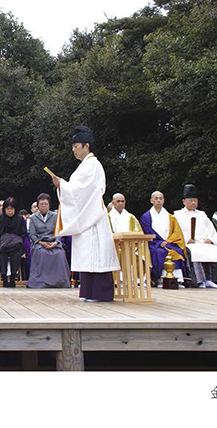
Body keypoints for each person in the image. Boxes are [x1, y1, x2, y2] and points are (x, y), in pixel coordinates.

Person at [50, 125, 120, 301]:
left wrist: (62, 185)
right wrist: (64, 186)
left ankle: (100, 293)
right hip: (86, 215)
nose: (73, 149)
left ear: (86, 146)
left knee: (96, 253)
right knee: (87, 253)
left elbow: (83, 191)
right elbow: (77, 190)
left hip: (93, 216)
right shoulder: (85, 166)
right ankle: (88, 291)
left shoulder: (92, 165)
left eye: (76, 146)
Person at [172, 185, 217, 289]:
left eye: (195, 200)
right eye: (190, 200)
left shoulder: (202, 214)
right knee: (194, 252)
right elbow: (176, 231)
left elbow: (211, 229)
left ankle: (213, 280)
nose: (193, 203)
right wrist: (186, 240)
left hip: (204, 242)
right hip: (190, 243)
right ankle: (199, 281)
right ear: (184, 201)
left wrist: (210, 239)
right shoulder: (177, 215)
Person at [139, 191, 189, 286]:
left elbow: (177, 233)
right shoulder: (146, 217)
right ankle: (159, 279)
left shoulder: (170, 217)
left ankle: (177, 280)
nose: (158, 201)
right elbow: (147, 232)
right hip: (154, 244)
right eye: (156, 199)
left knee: (178, 251)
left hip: (169, 243)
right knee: (159, 252)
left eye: (160, 198)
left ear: (164, 200)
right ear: (151, 201)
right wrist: (159, 243)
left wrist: (168, 241)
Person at [27, 194, 71, 289]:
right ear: (38, 205)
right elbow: (32, 234)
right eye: (41, 204)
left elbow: (58, 232)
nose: (43, 206)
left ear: (49, 205)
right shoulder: (33, 218)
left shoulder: (55, 216)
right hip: (40, 242)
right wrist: (41, 242)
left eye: (46, 204)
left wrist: (55, 242)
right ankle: (40, 281)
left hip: (53, 241)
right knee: (41, 253)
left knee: (60, 253)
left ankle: (60, 281)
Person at [0, 197, 29, 288]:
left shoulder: (20, 219)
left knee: (16, 254)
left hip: (16, 245)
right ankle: (4, 277)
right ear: (4, 209)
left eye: (11, 209)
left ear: (15, 209)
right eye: (8, 209)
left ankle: (13, 277)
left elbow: (23, 233)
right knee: (1, 254)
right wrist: (2, 242)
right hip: (2, 245)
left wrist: (17, 242)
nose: (9, 211)